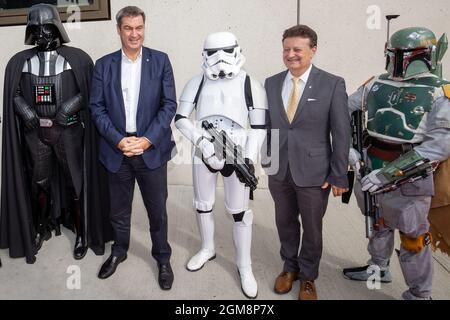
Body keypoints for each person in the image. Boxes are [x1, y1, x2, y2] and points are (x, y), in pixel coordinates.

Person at [343, 27, 450, 300]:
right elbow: (344, 110)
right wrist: (349, 148)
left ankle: (420, 293)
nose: (398, 60)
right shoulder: (376, 83)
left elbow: (439, 146)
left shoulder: (440, 93)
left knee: (413, 238)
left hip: (410, 177)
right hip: (369, 164)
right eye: (394, 53)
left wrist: (390, 174)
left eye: (405, 54)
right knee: (376, 223)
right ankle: (378, 268)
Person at [0, 3, 111, 264]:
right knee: (39, 183)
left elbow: (90, 92)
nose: (42, 35)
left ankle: (82, 232)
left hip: (69, 131)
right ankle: (41, 226)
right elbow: (14, 93)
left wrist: (68, 109)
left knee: (76, 183)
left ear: (57, 28)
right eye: (36, 29)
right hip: (35, 132)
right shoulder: (20, 62)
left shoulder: (78, 59)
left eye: (47, 28)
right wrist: (25, 111)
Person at [89, 6, 177, 291]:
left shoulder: (160, 61)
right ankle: (119, 250)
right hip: (117, 150)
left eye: (139, 28)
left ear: (144, 28)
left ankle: (162, 257)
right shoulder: (104, 65)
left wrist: (147, 139)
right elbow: (96, 108)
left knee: (157, 211)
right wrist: (118, 140)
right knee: (118, 210)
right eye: (128, 28)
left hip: (150, 150)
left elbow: (169, 105)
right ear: (119, 30)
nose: (134, 34)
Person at [175, 31, 267, 299]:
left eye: (226, 51)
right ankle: (207, 248)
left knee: (240, 212)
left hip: (236, 150)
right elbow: (181, 118)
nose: (220, 59)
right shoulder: (197, 82)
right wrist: (201, 142)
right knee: (202, 205)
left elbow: (259, 126)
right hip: (203, 148)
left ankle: (244, 266)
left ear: (237, 50)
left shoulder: (251, 84)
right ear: (204, 55)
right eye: (213, 53)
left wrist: (247, 159)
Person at [264, 25, 350, 300]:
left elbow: (341, 132)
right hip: (279, 169)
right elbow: (267, 127)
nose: (291, 55)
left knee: (312, 228)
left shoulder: (332, 84)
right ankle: (289, 268)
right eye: (287, 49)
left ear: (312, 51)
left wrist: (339, 175)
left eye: (297, 49)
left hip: (315, 172)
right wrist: (267, 161)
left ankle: (309, 277)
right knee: (285, 222)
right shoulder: (271, 82)